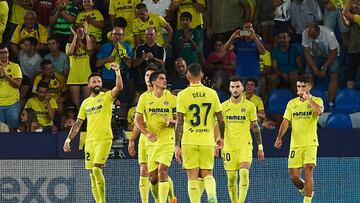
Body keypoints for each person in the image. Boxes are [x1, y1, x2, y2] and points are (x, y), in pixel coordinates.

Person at [63, 62, 123, 203]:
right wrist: (68, 139)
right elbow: (78, 124)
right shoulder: (85, 103)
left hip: (104, 139)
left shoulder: (107, 96)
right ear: (89, 85)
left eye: (99, 81)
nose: (97, 83)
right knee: (91, 174)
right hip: (90, 141)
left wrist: (118, 72)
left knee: (97, 169)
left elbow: (119, 87)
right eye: (94, 81)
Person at [175, 63, 225, 203]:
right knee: (207, 174)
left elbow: (179, 122)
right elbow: (221, 120)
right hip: (207, 140)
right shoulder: (212, 93)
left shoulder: (182, 95)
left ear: (187, 76)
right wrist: (221, 137)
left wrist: (177, 145)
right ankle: (212, 195)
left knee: (192, 177)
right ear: (202, 75)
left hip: (189, 140)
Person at [274, 75, 324, 203]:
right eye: (298, 86)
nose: (300, 89)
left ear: (309, 87)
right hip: (295, 143)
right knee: (294, 176)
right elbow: (285, 122)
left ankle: (307, 200)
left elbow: (319, 111)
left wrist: (308, 99)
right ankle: (306, 190)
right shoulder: (292, 103)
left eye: (303, 86)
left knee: (308, 168)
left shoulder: (317, 100)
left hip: (310, 142)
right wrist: (279, 137)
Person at [135, 70, 177, 203]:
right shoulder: (144, 98)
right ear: (154, 82)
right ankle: (160, 199)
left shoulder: (172, 99)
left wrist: (171, 121)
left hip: (167, 140)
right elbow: (137, 120)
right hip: (151, 142)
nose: (164, 80)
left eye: (165, 78)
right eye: (161, 78)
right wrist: (146, 133)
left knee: (162, 170)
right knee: (153, 178)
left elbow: (179, 121)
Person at [221, 76, 264, 203]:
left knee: (244, 173)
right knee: (231, 179)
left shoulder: (250, 106)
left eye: (237, 87)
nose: (235, 89)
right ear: (229, 88)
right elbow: (218, 126)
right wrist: (217, 142)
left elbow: (255, 127)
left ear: (242, 88)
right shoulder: (223, 107)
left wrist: (260, 147)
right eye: (233, 87)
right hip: (228, 147)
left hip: (245, 145)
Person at [128, 67, 156, 203]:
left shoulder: (163, 95)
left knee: (157, 174)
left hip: (158, 139)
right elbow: (138, 122)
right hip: (145, 139)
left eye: (151, 75)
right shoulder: (143, 97)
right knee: (143, 170)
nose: (148, 77)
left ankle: (169, 195)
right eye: (146, 75)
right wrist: (132, 140)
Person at [302, 22, 339, 106]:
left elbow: (334, 52)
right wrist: (313, 67)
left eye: (313, 36)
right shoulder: (305, 33)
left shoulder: (329, 33)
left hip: (330, 55)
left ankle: (330, 102)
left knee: (334, 72)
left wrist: (324, 68)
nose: (311, 38)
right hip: (315, 56)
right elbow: (306, 52)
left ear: (318, 31)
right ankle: (313, 101)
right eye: (310, 36)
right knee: (308, 73)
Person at [66, 23, 93, 107]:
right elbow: (70, 53)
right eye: (79, 32)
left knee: (87, 103)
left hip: (86, 76)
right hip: (74, 77)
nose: (81, 34)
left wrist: (86, 33)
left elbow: (90, 49)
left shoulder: (86, 44)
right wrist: (75, 37)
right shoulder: (68, 45)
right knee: (76, 104)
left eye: (82, 31)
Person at [0, 44, 22, 131]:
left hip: (13, 104)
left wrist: (6, 76)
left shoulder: (15, 66)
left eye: (6, 52)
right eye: (1, 53)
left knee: (13, 130)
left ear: (9, 53)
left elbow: (18, 85)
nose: (4, 54)